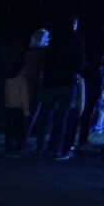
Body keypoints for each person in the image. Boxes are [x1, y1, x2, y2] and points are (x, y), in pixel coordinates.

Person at [37, 16, 86, 160]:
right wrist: (76, 72)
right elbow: (81, 62)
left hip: (50, 81)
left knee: (45, 115)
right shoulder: (77, 40)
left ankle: (39, 148)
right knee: (61, 118)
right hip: (67, 81)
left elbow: (46, 59)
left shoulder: (55, 40)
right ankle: (56, 150)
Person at [22, 29, 51, 147]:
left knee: (30, 114)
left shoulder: (29, 54)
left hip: (29, 86)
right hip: (38, 87)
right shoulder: (42, 54)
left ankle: (23, 139)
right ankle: (28, 140)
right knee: (36, 114)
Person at [3, 58, 31, 153]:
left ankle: (8, 145)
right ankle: (18, 147)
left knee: (9, 128)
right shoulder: (21, 80)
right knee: (19, 129)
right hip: (18, 108)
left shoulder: (8, 79)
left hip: (8, 107)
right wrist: (26, 111)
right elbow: (24, 96)